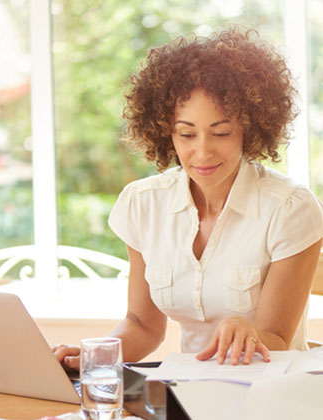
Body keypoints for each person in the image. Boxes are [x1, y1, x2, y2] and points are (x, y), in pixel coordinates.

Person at [55, 26, 323, 370]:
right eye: (186, 134)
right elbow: (142, 325)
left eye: (221, 132)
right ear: (165, 131)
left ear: (250, 127)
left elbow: (278, 339)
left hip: (271, 391)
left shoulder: (290, 208)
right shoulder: (143, 204)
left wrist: (248, 332)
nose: (202, 152)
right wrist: (91, 357)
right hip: (186, 392)